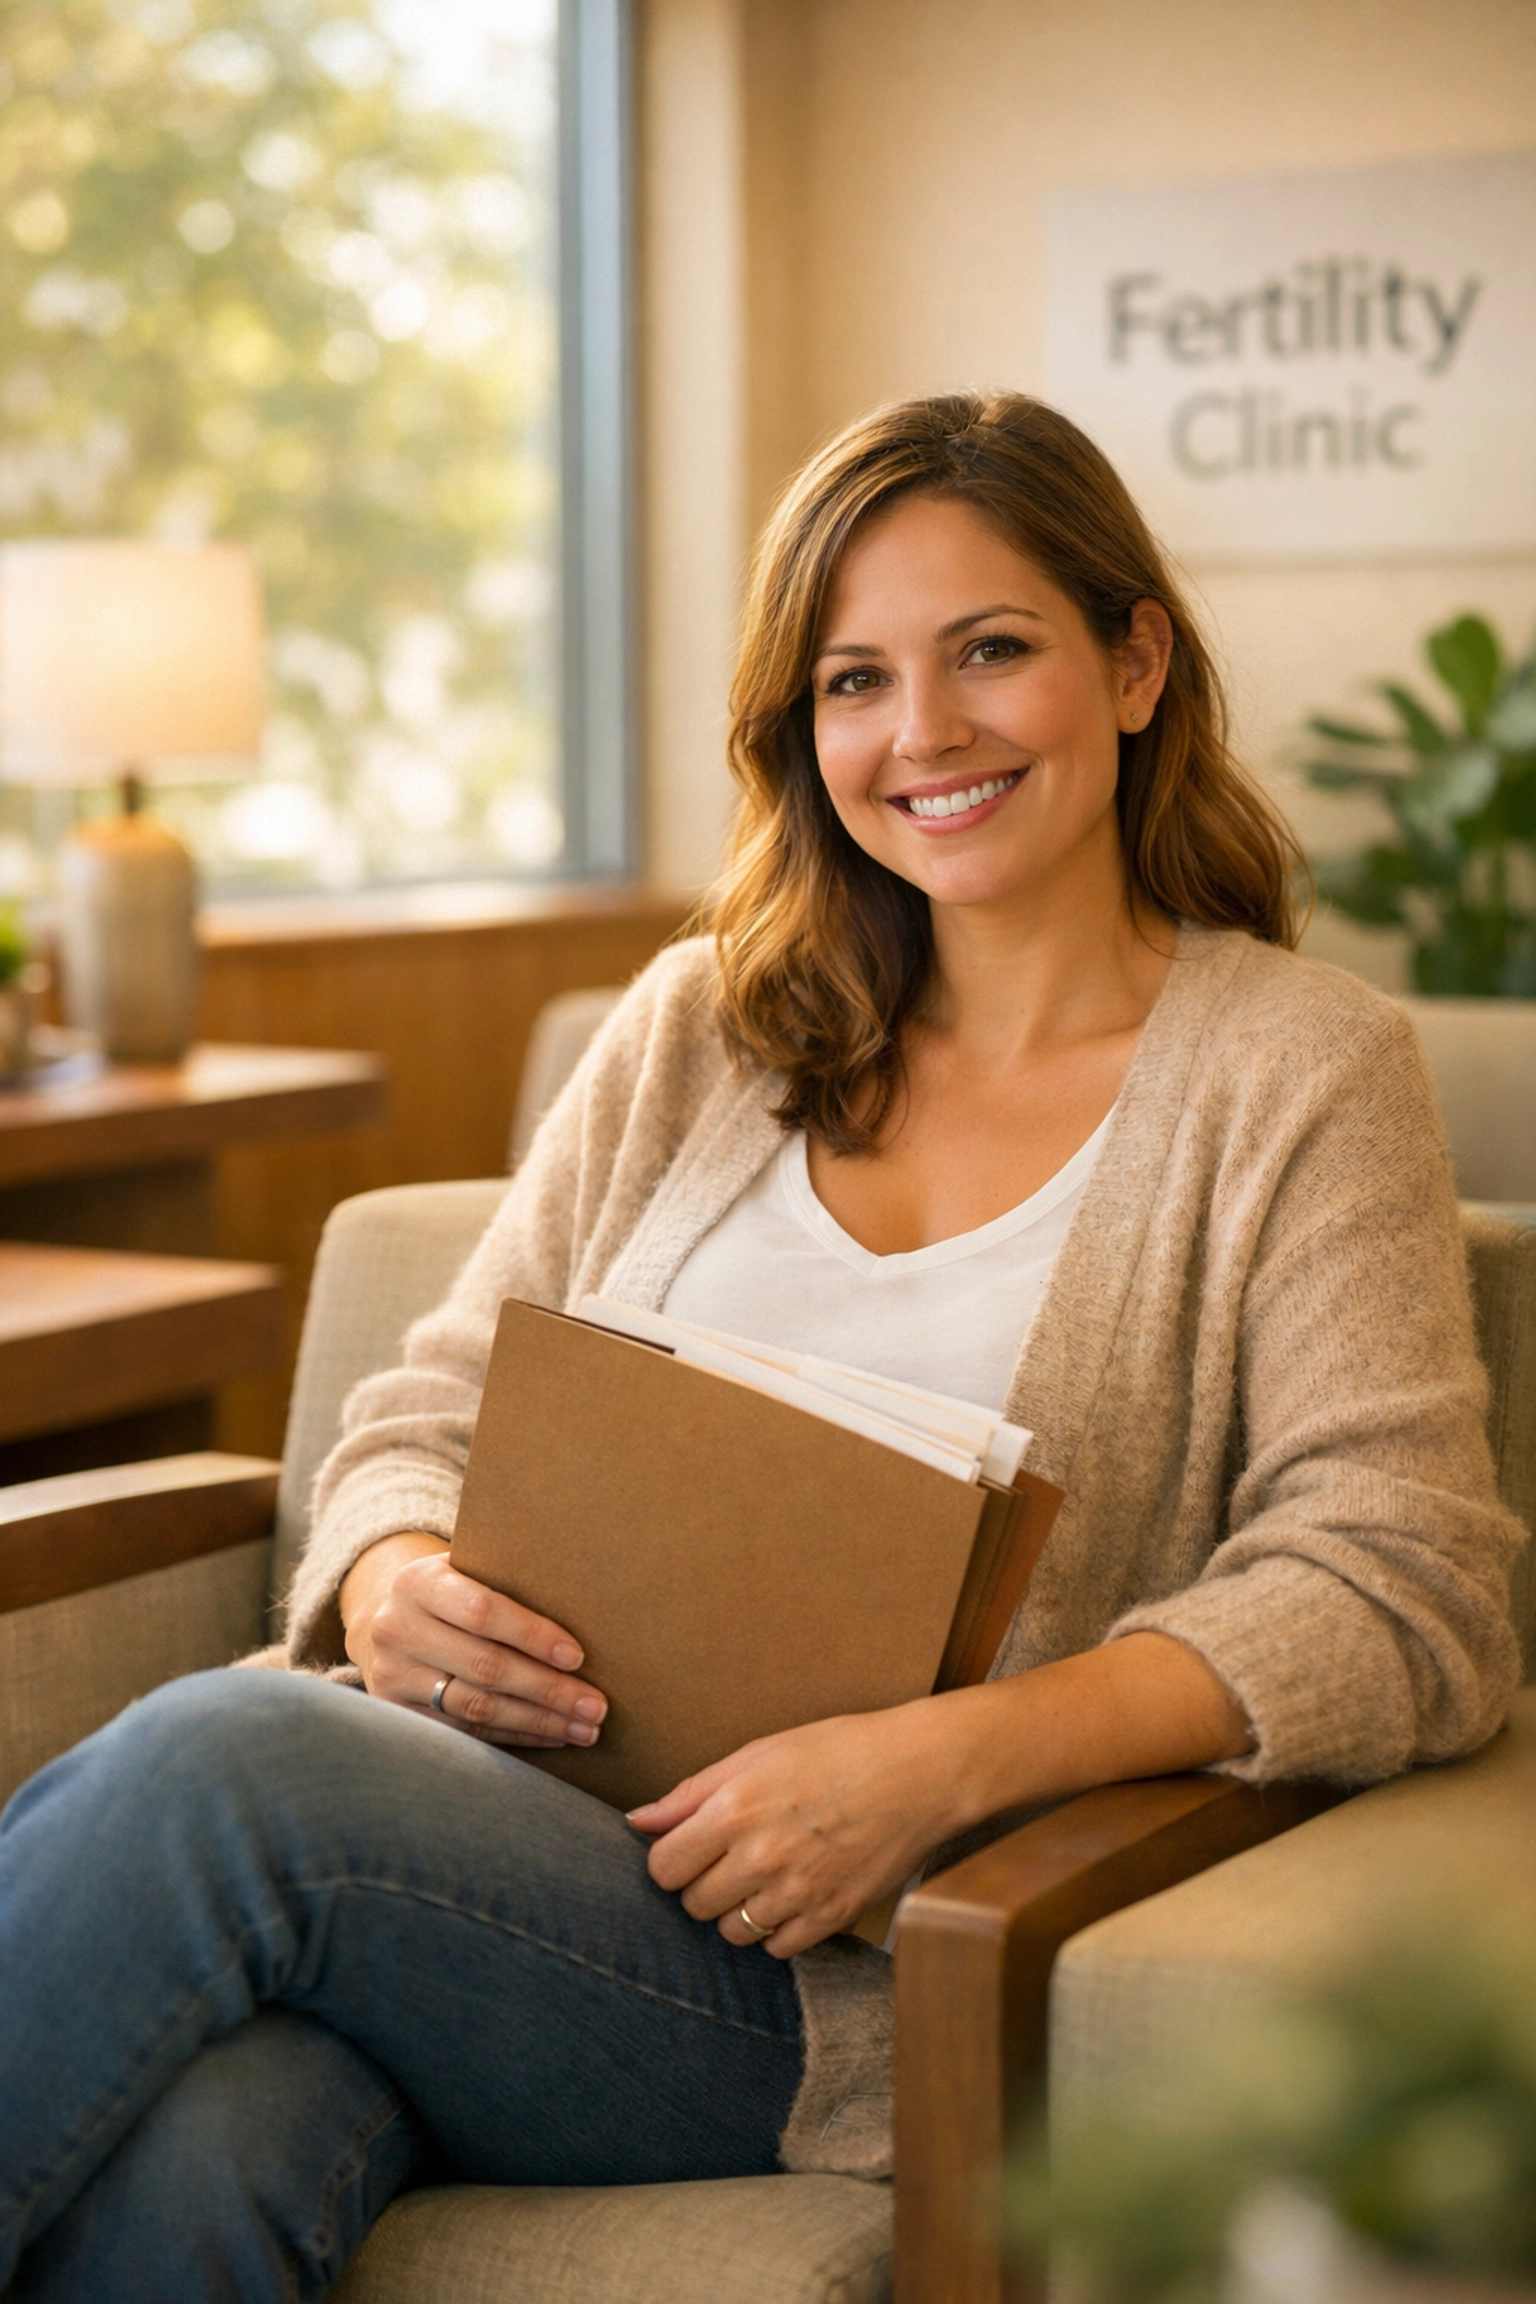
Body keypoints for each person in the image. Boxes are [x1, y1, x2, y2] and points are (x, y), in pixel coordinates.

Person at [0, 393, 1522, 2298]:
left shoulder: (1302, 1070)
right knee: (213, 2143)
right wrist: (389, 1581)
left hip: (817, 1969)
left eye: (992, 650)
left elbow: (1404, 1583)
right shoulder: (702, 1023)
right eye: (854, 681)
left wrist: (946, 1764)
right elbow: (425, 1411)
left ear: (1135, 665)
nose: (923, 731)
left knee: (225, 1758)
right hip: (468, 1843)